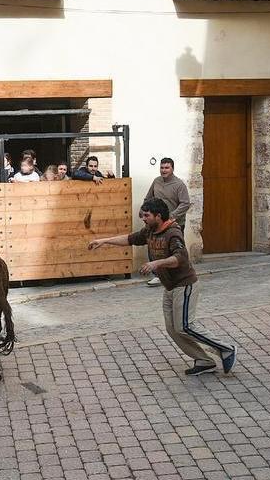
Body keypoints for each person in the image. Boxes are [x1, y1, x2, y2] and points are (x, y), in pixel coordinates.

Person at [87, 198, 236, 376]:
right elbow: (130, 238)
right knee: (173, 330)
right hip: (170, 287)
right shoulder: (150, 230)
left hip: (184, 285)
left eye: (147, 215)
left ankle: (226, 349)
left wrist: (156, 263)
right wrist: (104, 241)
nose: (143, 218)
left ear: (158, 216)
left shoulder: (173, 232)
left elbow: (180, 258)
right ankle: (204, 361)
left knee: (185, 326)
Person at [143, 157, 192, 286]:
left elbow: (185, 203)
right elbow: (148, 198)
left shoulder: (179, 185)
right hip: (158, 223)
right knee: (155, 247)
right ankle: (157, 274)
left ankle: (177, 274)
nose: (163, 170)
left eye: (166, 168)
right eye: (162, 168)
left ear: (172, 169)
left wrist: (172, 216)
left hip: (174, 223)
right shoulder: (156, 181)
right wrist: (144, 211)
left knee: (174, 248)